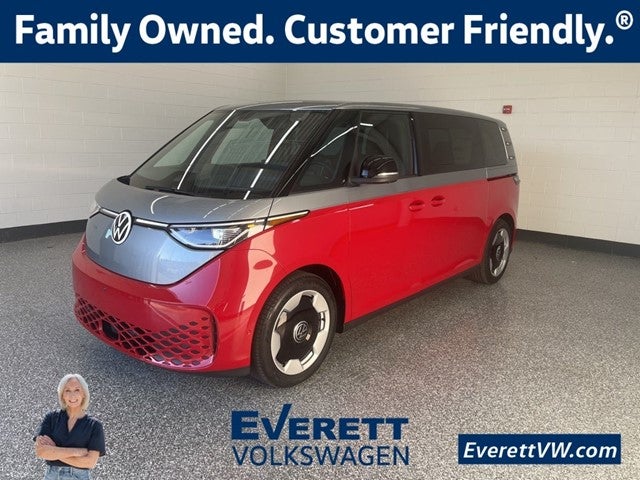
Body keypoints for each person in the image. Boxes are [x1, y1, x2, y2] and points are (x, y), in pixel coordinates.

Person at [34, 374, 106, 480]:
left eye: (77, 390)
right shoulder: (51, 418)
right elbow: (41, 451)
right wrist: (77, 452)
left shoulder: (94, 425)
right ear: (62, 395)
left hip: (78, 477)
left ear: (84, 394)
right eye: (67, 390)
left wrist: (54, 451)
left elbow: (90, 462)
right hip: (52, 476)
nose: (72, 395)